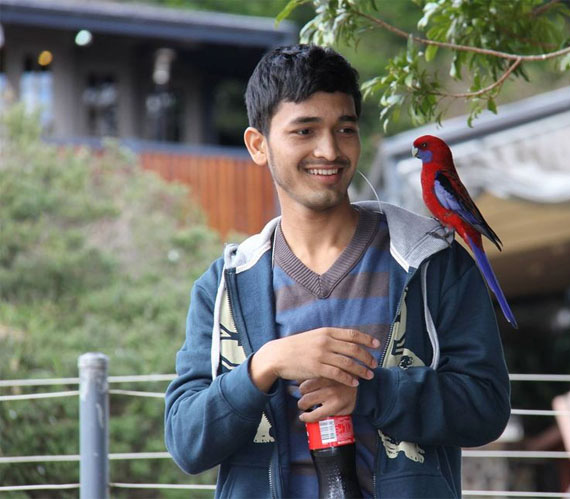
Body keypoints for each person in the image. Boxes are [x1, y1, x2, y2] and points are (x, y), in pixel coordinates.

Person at [165, 44, 510, 498]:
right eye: (304, 131)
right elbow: (186, 442)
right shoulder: (225, 285)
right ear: (258, 145)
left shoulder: (433, 263)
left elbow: (485, 406)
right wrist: (264, 365)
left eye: (344, 129)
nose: (329, 150)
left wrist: (372, 393)